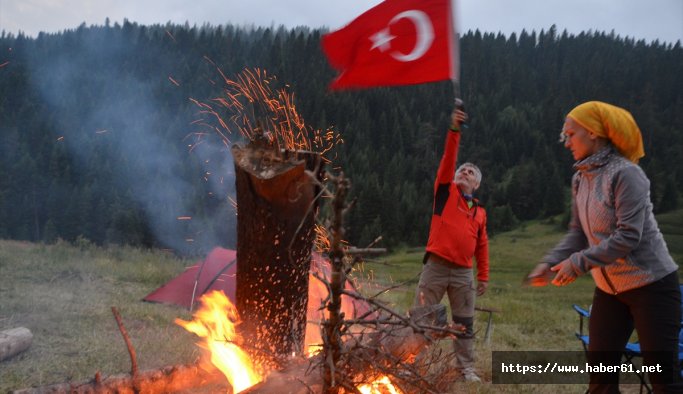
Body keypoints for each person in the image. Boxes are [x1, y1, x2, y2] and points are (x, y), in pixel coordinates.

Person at [527, 101, 681, 393]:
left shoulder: (627, 174)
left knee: (664, 381)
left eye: (570, 134)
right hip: (610, 292)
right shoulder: (579, 179)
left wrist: (578, 263)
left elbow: (628, 236)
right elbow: (578, 233)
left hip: (652, 288)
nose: (566, 142)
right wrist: (550, 262)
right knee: (600, 381)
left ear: (593, 133)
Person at [413, 104, 489, 382]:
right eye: (463, 169)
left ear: (477, 185)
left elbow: (482, 246)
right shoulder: (445, 191)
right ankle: (412, 363)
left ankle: (466, 369)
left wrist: (483, 275)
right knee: (422, 316)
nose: (465, 171)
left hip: (462, 273)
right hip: (435, 265)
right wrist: (454, 129)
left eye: (470, 172)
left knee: (464, 322)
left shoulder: (479, 212)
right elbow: (448, 159)